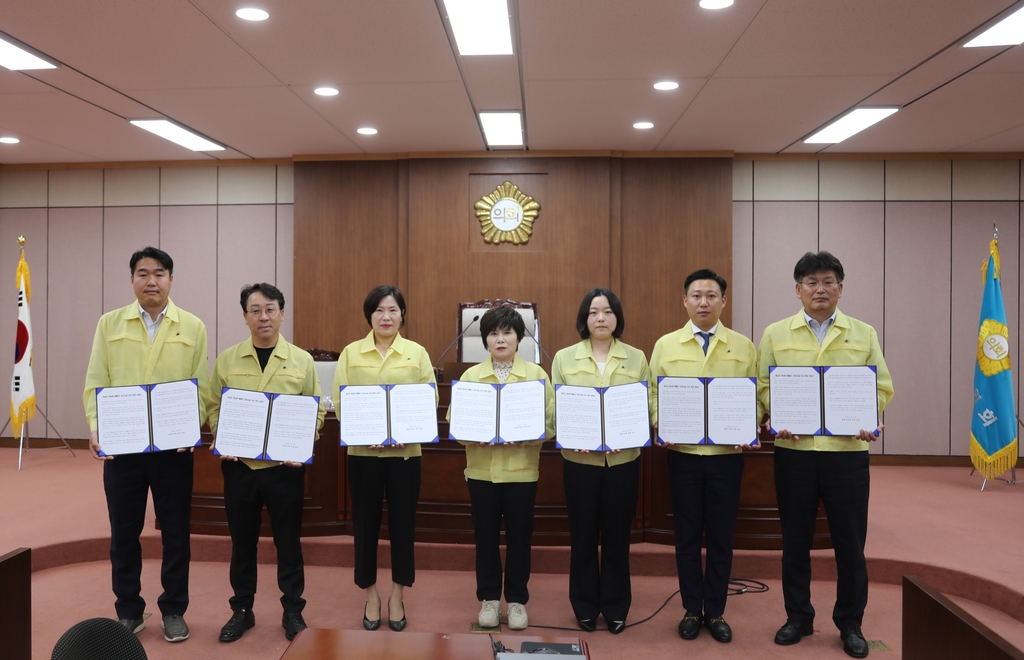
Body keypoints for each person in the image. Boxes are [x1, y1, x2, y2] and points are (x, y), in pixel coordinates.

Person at [758, 251, 893, 659]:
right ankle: (798, 616)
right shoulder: (775, 334)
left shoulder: (863, 333)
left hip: (846, 453)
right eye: (811, 282)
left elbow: (882, 386)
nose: (820, 289)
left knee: (850, 543)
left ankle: (850, 622)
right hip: (794, 452)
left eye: (828, 281)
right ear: (797, 289)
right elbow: (764, 385)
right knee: (795, 540)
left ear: (841, 288)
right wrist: (774, 415)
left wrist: (870, 416)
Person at [83, 247, 208, 643]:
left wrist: (192, 425)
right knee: (123, 533)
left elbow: (200, 387)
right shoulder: (109, 324)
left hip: (173, 452)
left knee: (175, 532)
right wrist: (96, 427)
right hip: (124, 449)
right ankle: (129, 611)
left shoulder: (192, 327)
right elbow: (95, 382)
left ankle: (174, 610)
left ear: (171, 279)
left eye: (159, 273)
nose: (151, 280)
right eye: (142, 273)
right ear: (132, 280)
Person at [205, 283, 325, 642]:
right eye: (255, 310)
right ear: (244, 317)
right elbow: (213, 405)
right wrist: (222, 435)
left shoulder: (301, 360)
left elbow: (315, 410)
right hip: (239, 467)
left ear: (282, 313)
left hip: (283, 470)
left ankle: (292, 611)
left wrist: (301, 443)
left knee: (288, 543)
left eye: (270, 309)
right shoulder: (227, 359)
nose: (263, 317)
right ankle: (242, 610)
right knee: (243, 542)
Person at [649, 269, 758, 645]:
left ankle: (716, 610)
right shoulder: (666, 345)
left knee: (722, 537)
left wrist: (751, 425)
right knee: (687, 536)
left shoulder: (743, 346)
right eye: (696, 295)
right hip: (683, 456)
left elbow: (755, 396)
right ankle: (692, 609)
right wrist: (660, 422)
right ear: (685, 301)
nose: (704, 302)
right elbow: (651, 394)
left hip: (726, 457)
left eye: (712, 295)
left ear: (723, 301)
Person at [332, 285, 436, 632]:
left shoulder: (417, 353)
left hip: (406, 455)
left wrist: (405, 431)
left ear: (402, 314)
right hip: (364, 454)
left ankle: (397, 594)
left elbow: (429, 401)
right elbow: (342, 401)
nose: (386, 317)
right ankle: (371, 593)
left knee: (403, 525)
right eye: (378, 310)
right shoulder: (351, 353)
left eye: (392, 310)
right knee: (365, 525)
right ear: (369, 316)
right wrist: (366, 433)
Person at [551, 288, 650, 635]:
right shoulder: (564, 358)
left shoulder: (636, 357)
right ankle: (584, 607)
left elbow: (646, 404)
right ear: (584, 319)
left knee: (617, 537)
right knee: (582, 536)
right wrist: (572, 433)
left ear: (617, 318)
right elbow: (557, 407)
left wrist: (640, 426)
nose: (601, 318)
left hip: (623, 462)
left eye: (608, 312)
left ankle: (616, 606)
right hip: (579, 463)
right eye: (594, 312)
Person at [450, 305, 555, 631]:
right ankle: (489, 600)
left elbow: (550, 423)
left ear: (519, 337)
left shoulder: (537, 376)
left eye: (507, 332)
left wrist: (524, 437)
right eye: (493, 333)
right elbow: (455, 421)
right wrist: (474, 434)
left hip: (522, 471)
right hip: (482, 472)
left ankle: (518, 601)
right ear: (484, 339)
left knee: (520, 538)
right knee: (485, 538)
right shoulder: (471, 377)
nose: (500, 338)